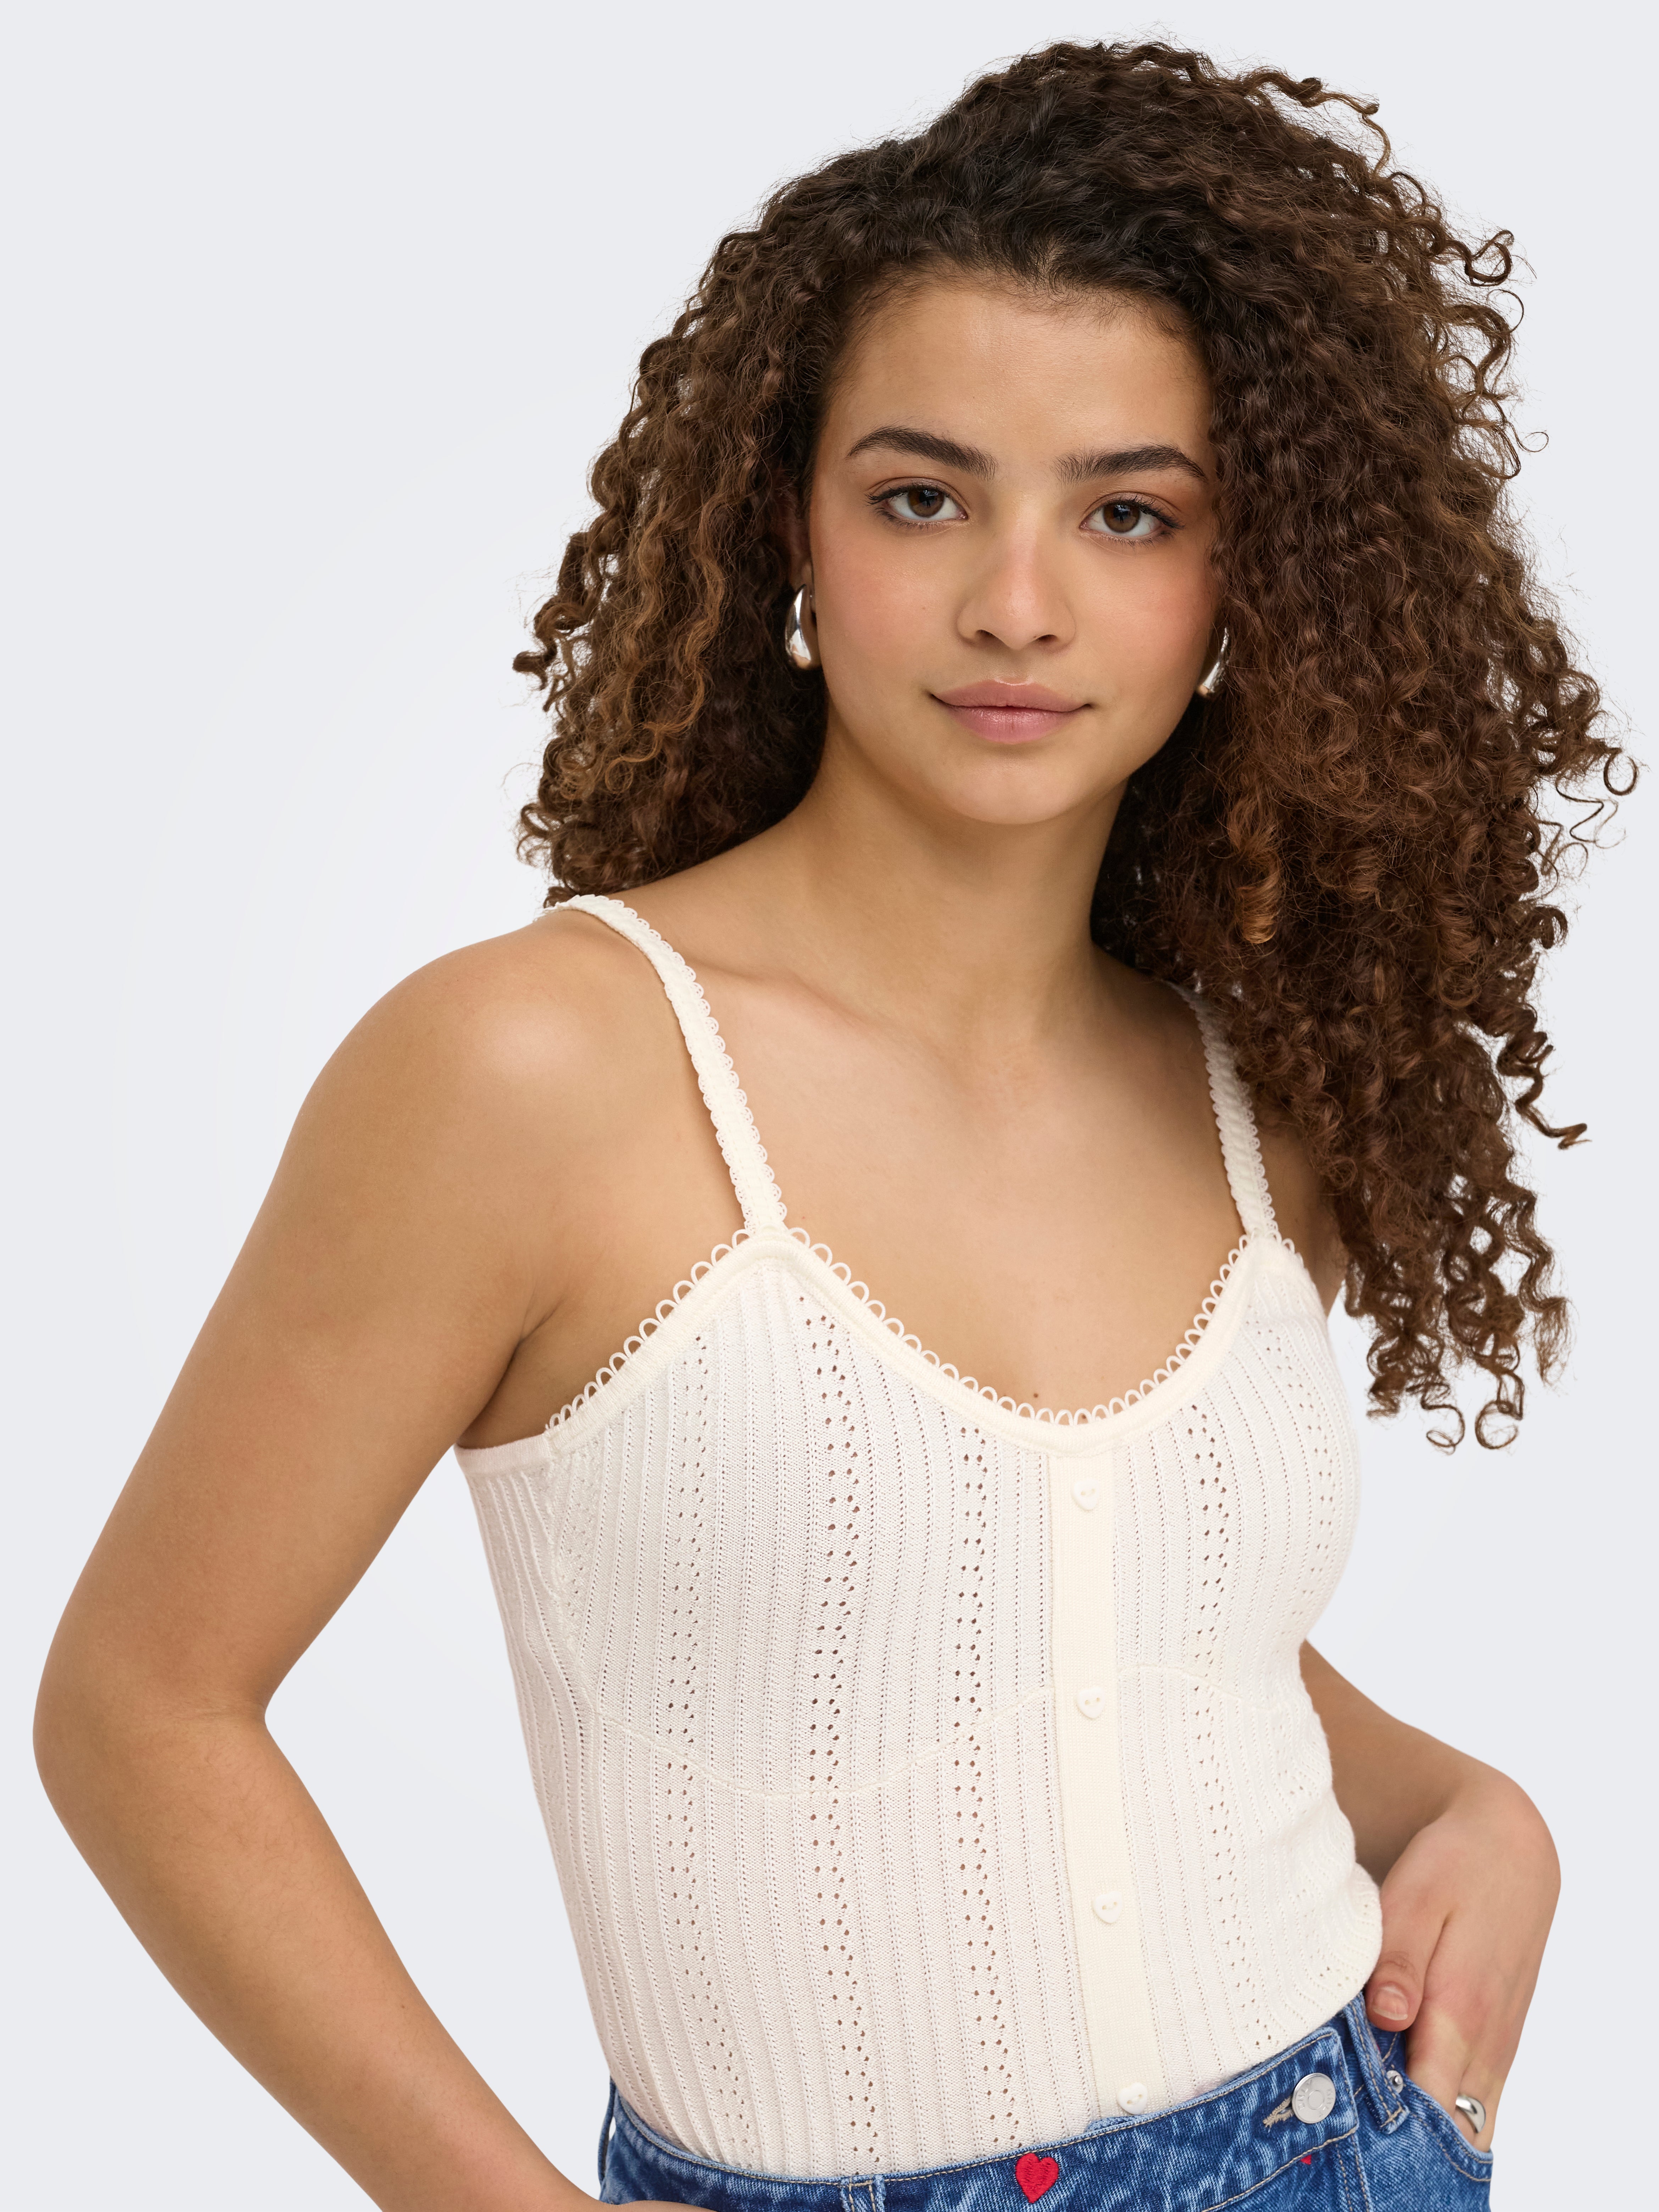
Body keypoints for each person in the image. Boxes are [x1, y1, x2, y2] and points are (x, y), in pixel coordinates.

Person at [35, 39, 1622, 2212]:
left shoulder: (1247, 1098)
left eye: (1127, 512)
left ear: (1246, 584)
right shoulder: (534, 1072)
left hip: (1338, 2149)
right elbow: (143, 1709)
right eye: (921, 496)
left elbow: (1102, 1633)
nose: (1015, 602)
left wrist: (1466, 1808)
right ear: (787, 519)